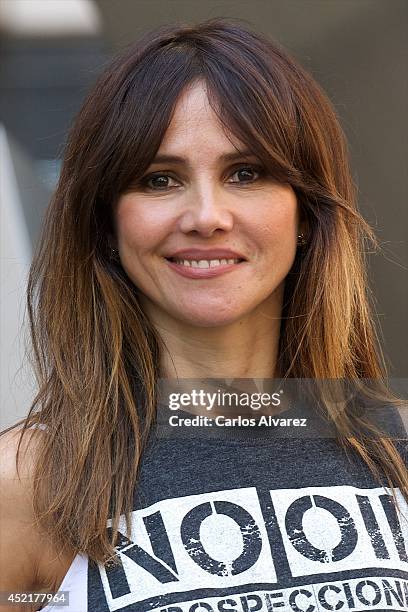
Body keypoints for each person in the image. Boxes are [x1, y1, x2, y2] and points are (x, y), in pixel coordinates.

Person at [1, 19, 407, 612]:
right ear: (108, 222)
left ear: (306, 211)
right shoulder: (29, 485)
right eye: (159, 179)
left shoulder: (397, 449)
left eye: (246, 173)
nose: (206, 216)